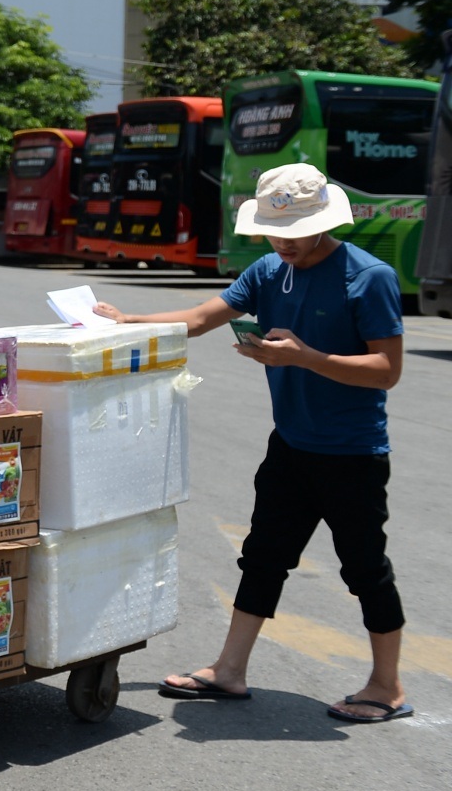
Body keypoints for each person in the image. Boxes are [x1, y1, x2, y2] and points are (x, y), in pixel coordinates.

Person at [92, 163, 410, 723]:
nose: (281, 241)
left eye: (293, 230)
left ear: (323, 220)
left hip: (353, 453)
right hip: (290, 446)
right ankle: (230, 671)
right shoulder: (268, 271)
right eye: (271, 229)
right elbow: (196, 319)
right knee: (262, 557)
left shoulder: (369, 277)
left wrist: (305, 357)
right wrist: (127, 320)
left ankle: (387, 687)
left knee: (364, 568)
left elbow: (386, 370)